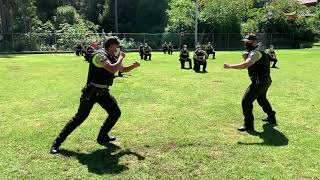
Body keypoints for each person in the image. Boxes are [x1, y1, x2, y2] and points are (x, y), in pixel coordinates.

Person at [50, 37, 140, 154]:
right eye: (117, 47)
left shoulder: (111, 56)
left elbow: (121, 69)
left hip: (103, 93)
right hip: (91, 92)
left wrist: (133, 66)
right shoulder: (99, 56)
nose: (118, 50)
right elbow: (113, 69)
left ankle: (102, 136)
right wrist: (121, 57)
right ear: (111, 45)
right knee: (79, 118)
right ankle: (56, 143)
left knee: (115, 113)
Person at [223, 34, 277, 132]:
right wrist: (246, 56)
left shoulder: (255, 53)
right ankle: (271, 117)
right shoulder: (260, 51)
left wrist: (230, 66)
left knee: (246, 101)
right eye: (245, 42)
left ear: (254, 41)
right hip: (266, 80)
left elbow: (246, 65)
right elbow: (254, 66)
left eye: (248, 41)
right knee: (261, 99)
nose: (246, 43)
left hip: (259, 81)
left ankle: (248, 125)